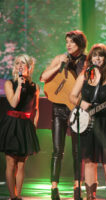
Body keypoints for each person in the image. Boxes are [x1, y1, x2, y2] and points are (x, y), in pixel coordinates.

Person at [70, 43, 106, 200]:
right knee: (89, 161)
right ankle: (90, 197)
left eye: (101, 55)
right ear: (90, 58)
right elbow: (72, 96)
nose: (97, 58)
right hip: (87, 122)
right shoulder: (84, 75)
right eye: (94, 55)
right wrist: (81, 103)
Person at [40, 30, 87, 200]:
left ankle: (77, 187)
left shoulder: (86, 61)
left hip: (77, 109)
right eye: (66, 41)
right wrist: (57, 64)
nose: (68, 45)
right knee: (57, 149)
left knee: (77, 150)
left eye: (72, 42)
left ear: (80, 44)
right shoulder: (60, 58)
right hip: (58, 108)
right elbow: (43, 77)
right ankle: (54, 188)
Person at [0, 54, 40, 200]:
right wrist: (20, 85)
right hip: (12, 125)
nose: (19, 66)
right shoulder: (9, 84)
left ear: (29, 67)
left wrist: (33, 128)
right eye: (17, 63)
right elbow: (14, 103)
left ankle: (18, 195)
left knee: (21, 164)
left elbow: (35, 109)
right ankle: (13, 196)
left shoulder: (35, 87)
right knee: (11, 163)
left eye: (22, 63)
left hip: (25, 126)